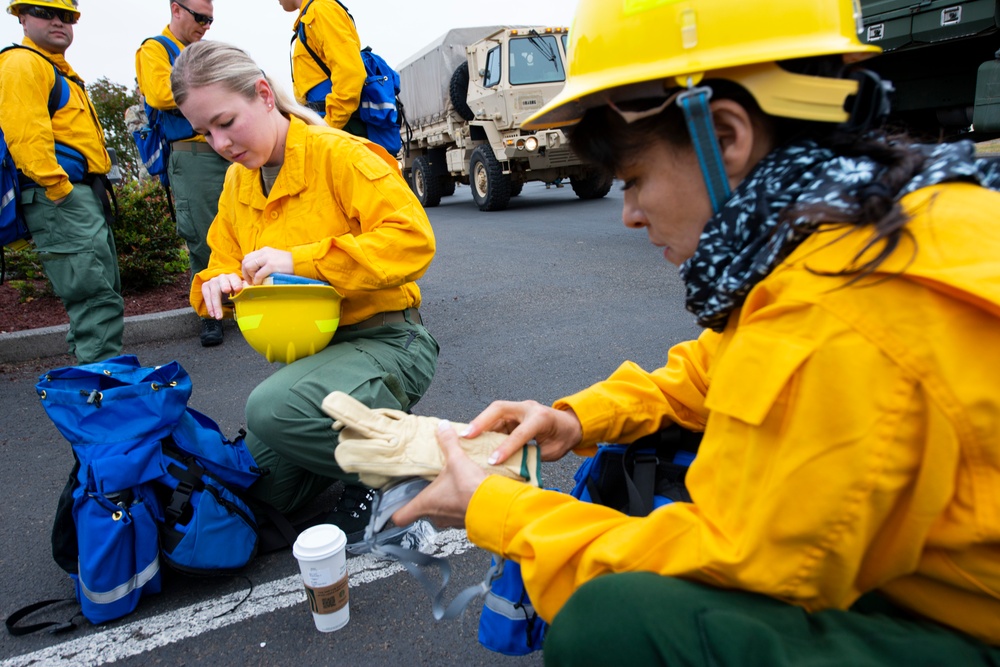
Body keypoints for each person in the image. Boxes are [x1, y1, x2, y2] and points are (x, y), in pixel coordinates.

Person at [393, 0, 1000, 663]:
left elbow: (726, 557)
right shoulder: (882, 214)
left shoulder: (838, 310)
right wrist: (574, 418)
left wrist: (496, 509)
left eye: (635, 179)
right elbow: (716, 370)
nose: (626, 214)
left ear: (725, 134)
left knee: (616, 621)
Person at [170, 40, 438, 543]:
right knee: (261, 494)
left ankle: (407, 476)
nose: (221, 143)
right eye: (205, 132)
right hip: (313, 364)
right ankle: (358, 448)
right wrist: (218, 286)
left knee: (270, 409)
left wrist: (300, 262)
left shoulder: (339, 155)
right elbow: (214, 270)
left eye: (227, 122)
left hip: (387, 343)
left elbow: (412, 241)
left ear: (265, 95)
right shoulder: (237, 184)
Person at [0, 0, 123, 364]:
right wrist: (61, 191)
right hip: (59, 196)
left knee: (98, 295)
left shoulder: (54, 69)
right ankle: (101, 391)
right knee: (94, 298)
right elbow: (27, 138)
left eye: (66, 16)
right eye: (44, 12)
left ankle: (96, 381)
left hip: (76, 194)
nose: (58, 21)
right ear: (22, 17)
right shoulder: (22, 63)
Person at [135, 0, 228, 347]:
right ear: (176, 9)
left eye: (210, 20)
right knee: (203, 236)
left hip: (225, 149)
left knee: (241, 226)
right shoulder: (155, 49)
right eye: (200, 17)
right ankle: (210, 313)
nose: (205, 25)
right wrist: (215, 90)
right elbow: (160, 94)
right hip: (193, 154)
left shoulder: (201, 51)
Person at [280, 0, 367, 136]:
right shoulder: (311, 15)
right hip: (332, 128)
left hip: (339, 131)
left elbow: (351, 74)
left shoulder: (321, 10)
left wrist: (327, 127)